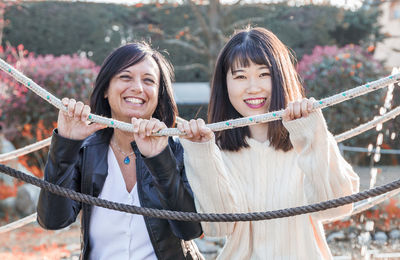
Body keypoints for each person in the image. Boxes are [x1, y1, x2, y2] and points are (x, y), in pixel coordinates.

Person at [177, 27, 360, 259]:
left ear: (281, 76)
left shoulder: (308, 137)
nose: (253, 87)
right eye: (240, 76)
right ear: (225, 84)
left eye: (264, 74)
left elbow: (337, 207)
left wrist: (309, 134)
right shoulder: (217, 149)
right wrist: (201, 153)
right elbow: (217, 227)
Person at [37, 42, 203, 260]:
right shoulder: (86, 150)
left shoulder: (178, 149)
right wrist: (65, 145)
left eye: (148, 80)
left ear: (158, 94)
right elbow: (52, 220)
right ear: (106, 89)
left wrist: (159, 159)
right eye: (126, 77)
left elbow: (190, 230)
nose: (137, 88)